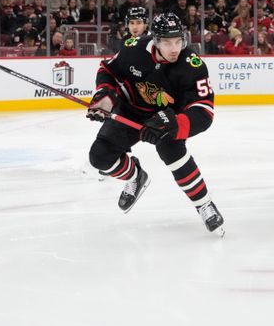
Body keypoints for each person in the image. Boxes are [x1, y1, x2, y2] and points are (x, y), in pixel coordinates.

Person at [85, 13, 224, 235]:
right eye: (168, 42)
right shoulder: (133, 49)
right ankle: (135, 176)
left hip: (167, 119)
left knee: (176, 158)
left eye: (178, 41)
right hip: (131, 111)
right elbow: (108, 70)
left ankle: (204, 204)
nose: (174, 48)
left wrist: (175, 124)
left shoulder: (192, 65)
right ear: (155, 40)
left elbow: (204, 111)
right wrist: (105, 96)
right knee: (99, 157)